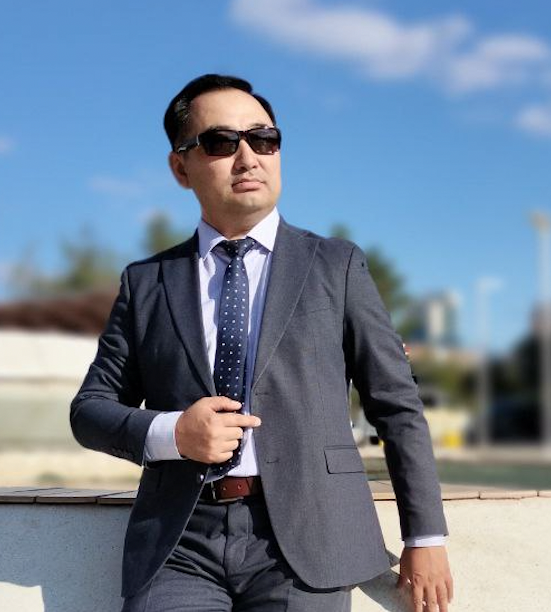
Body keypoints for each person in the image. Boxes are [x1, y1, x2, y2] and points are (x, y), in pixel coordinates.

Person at [70, 74, 454, 612]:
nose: (248, 157)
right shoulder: (147, 282)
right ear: (181, 167)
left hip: (310, 535)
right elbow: (89, 411)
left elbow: (396, 404)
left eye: (264, 139)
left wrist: (425, 535)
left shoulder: (337, 265)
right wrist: (174, 433)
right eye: (221, 142)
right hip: (180, 541)